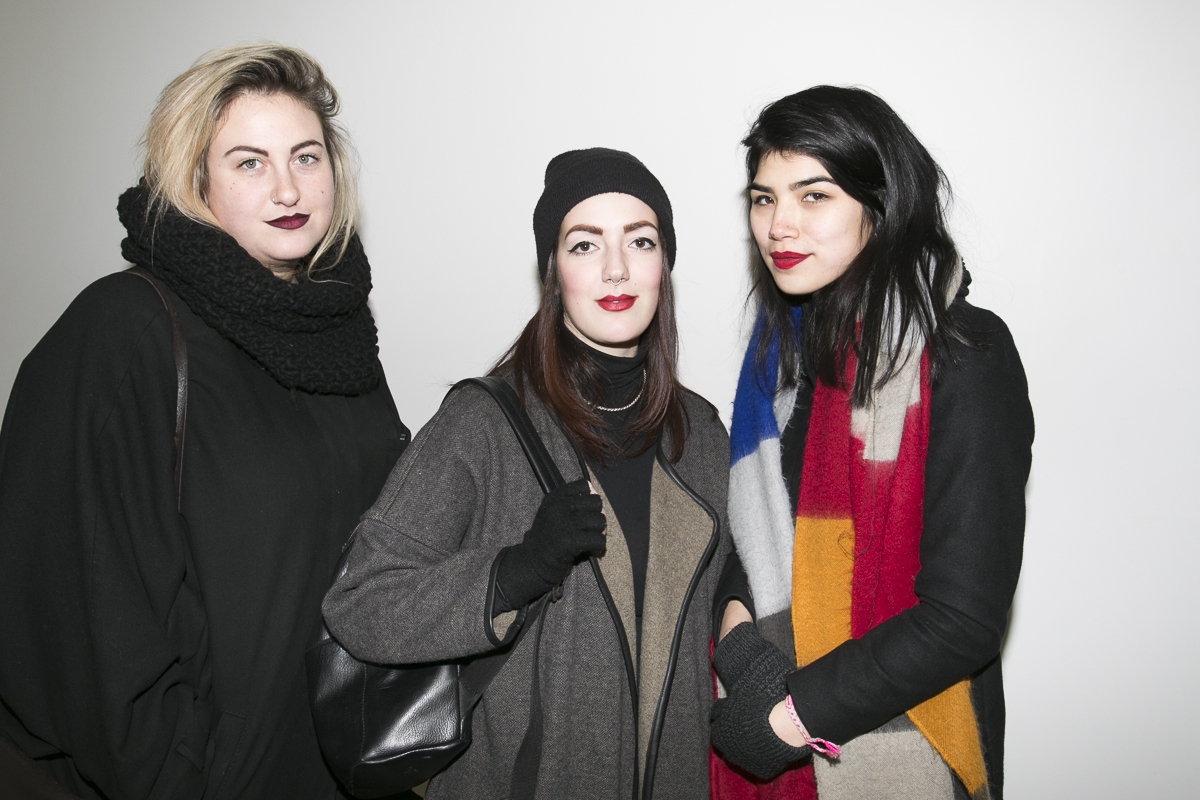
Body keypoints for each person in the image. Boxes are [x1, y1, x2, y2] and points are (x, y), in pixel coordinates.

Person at [0, 43, 408, 799]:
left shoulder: (341, 332)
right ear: (194, 182)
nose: (288, 188)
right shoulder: (124, 331)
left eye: (306, 157)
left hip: (338, 770)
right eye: (249, 163)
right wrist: (183, 774)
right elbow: (79, 610)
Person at [323, 148, 731, 799]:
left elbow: (728, 592)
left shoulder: (701, 434)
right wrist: (514, 572)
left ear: (664, 264)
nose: (617, 268)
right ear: (553, 270)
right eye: (584, 244)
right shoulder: (482, 424)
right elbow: (360, 603)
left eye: (641, 241)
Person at [709, 87, 1034, 800]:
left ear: (879, 206)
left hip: (897, 749)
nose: (779, 225)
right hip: (772, 703)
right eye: (763, 199)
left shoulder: (966, 355)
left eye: (814, 196)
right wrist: (738, 642)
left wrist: (788, 719)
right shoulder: (781, 360)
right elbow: (753, 536)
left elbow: (963, 619)